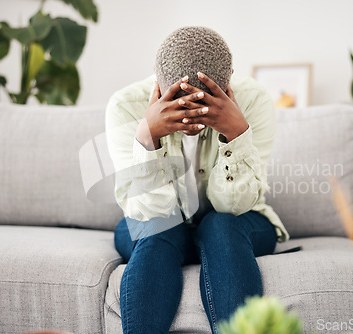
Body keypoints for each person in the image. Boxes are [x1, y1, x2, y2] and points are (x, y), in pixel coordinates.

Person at [105, 26, 289, 334]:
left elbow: (235, 205)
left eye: (202, 103)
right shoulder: (126, 106)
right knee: (157, 229)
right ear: (157, 81)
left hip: (236, 222)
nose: (189, 119)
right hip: (153, 220)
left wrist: (236, 135)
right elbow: (149, 210)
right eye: (177, 100)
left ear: (228, 81)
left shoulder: (253, 100)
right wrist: (147, 138)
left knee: (219, 226)